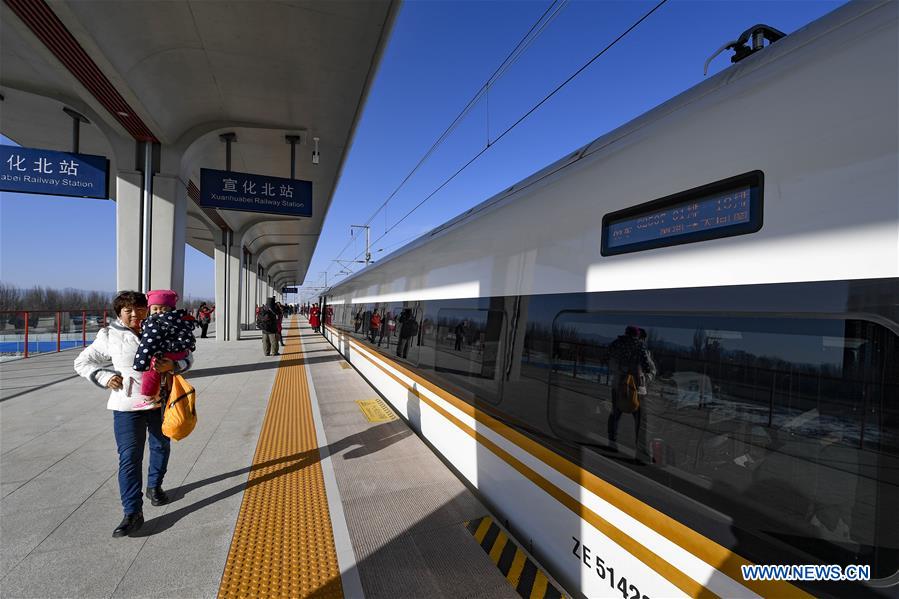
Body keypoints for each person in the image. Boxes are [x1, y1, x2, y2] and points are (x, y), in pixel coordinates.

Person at [74, 290, 193, 537]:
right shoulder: (109, 335)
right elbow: (82, 362)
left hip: (161, 402)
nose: (135, 314)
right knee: (129, 457)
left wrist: (174, 365)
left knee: (161, 446)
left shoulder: (165, 325)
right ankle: (132, 512)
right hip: (126, 406)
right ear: (119, 313)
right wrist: (105, 377)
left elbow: (188, 355)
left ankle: (154, 486)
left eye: (140, 309)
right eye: (128, 310)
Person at [132, 290, 196, 397]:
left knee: (151, 372)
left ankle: (148, 395)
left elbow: (147, 344)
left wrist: (140, 364)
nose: (159, 312)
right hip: (178, 353)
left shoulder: (155, 323)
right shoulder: (179, 320)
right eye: (155, 309)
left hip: (167, 356)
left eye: (163, 309)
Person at [607, 325, 656, 454]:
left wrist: (623, 370)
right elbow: (649, 368)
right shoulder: (640, 348)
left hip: (627, 387)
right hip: (631, 388)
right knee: (637, 420)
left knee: (618, 415)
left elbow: (609, 358)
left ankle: (615, 443)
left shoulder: (617, 345)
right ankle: (636, 450)